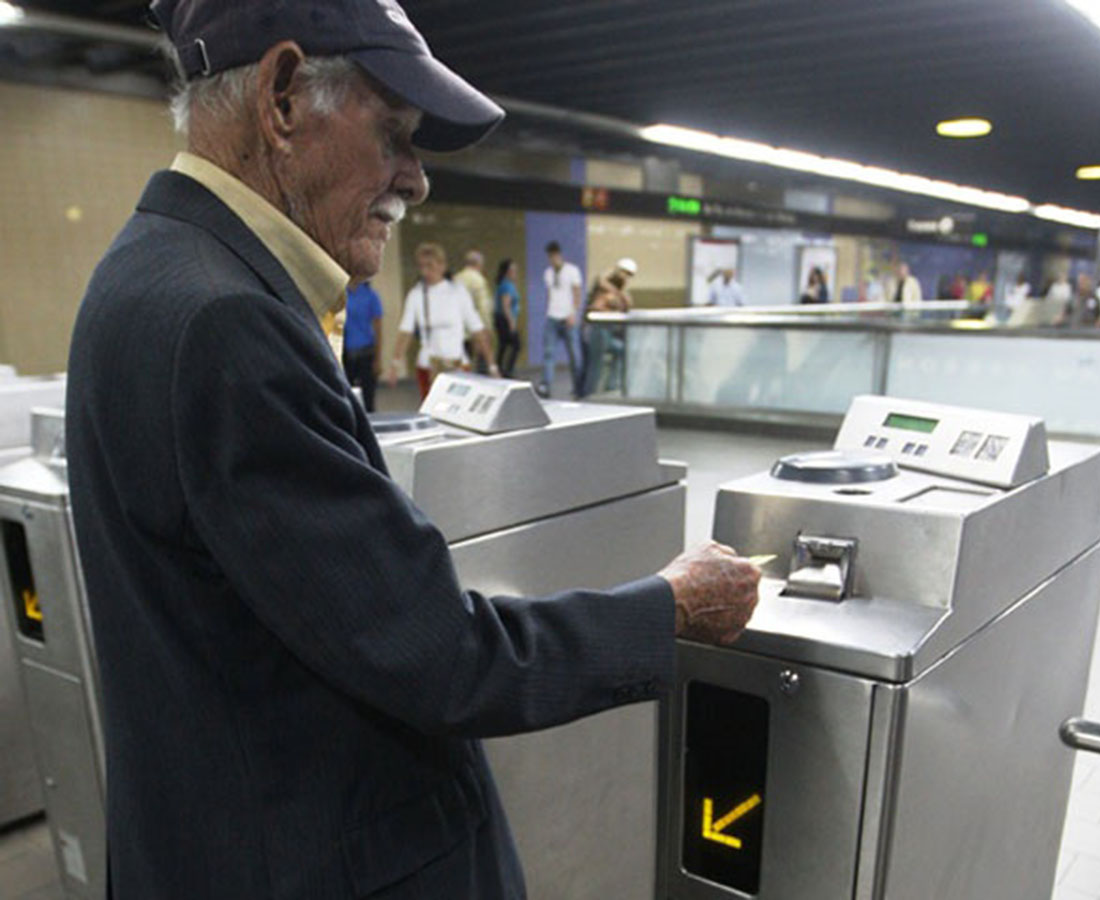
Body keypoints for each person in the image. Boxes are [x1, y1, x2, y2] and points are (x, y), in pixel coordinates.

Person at [63, 3, 762, 898]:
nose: (416, 179)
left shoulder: (141, 270)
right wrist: (665, 610)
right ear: (281, 98)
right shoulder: (227, 323)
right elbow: (442, 656)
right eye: (394, 132)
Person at [389, 242, 498, 400]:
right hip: (428, 366)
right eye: (421, 266)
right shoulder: (416, 294)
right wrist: (395, 364)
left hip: (458, 363)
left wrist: (492, 365)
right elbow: (405, 331)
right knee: (432, 413)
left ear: (442, 265)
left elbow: (477, 329)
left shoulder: (457, 292)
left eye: (430, 265)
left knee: (460, 412)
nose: (425, 271)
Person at [582, 258, 636, 396]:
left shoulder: (619, 291)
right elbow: (596, 307)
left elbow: (627, 305)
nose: (625, 277)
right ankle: (588, 394)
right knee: (595, 366)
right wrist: (613, 306)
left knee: (621, 351)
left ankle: (611, 386)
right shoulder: (604, 285)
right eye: (624, 273)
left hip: (607, 332)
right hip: (597, 330)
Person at [540, 240, 583, 398]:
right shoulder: (548, 273)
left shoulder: (572, 271)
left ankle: (578, 388)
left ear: (559, 255)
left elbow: (577, 293)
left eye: (554, 256)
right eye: (550, 257)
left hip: (568, 317)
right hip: (552, 316)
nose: (552, 259)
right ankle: (546, 385)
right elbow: (550, 294)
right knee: (548, 353)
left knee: (574, 355)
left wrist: (573, 312)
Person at [342, 279, 383, 411]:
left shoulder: (370, 295)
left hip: (366, 353)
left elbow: (378, 329)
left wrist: (378, 359)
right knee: (346, 398)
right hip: (346, 354)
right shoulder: (341, 295)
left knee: (368, 398)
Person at [455, 249, 493, 372]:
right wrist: (486, 331)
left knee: (461, 366)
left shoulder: (456, 279)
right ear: (478, 264)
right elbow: (484, 309)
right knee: (481, 365)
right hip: (474, 332)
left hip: (457, 331)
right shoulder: (478, 280)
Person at [494, 258, 522, 378]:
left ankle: (500, 368)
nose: (515, 273)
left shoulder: (506, 284)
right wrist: (511, 322)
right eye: (513, 271)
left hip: (501, 318)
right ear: (507, 272)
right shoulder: (507, 286)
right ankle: (507, 370)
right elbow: (506, 305)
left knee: (504, 345)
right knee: (516, 344)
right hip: (505, 319)